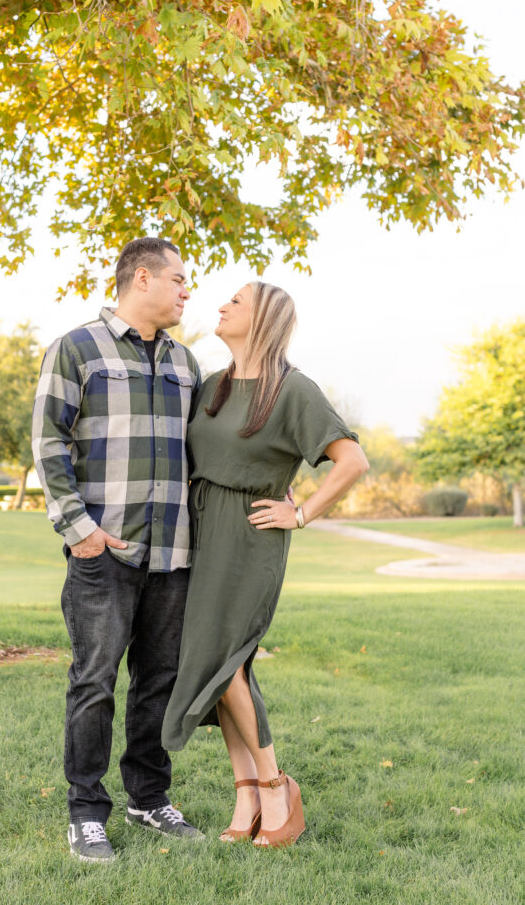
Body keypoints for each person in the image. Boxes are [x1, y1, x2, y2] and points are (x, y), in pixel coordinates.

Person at [161, 281, 369, 847]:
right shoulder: (213, 386)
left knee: (226, 665)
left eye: (236, 302)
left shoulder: (293, 389)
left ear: (265, 320)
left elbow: (351, 460)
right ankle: (246, 794)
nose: (221, 306)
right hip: (200, 536)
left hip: (249, 539)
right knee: (223, 667)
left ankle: (277, 787)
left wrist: (300, 514)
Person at [32, 237, 204, 864]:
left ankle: (148, 796)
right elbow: (48, 440)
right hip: (104, 553)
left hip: (174, 556)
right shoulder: (78, 348)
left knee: (158, 681)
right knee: (95, 683)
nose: (188, 291)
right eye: (180, 279)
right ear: (141, 278)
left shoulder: (188, 362)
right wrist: (79, 531)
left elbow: (204, 451)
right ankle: (85, 811)